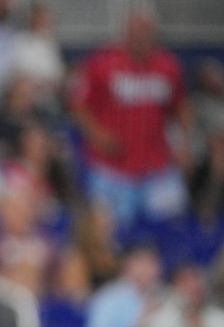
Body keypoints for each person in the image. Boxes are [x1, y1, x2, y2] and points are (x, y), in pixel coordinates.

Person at [70, 7, 192, 229]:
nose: (141, 38)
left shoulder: (168, 66)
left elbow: (181, 106)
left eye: (146, 33)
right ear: (125, 33)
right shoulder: (101, 63)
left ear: (154, 35)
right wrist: (96, 133)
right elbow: (78, 105)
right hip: (112, 168)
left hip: (157, 165)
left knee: (169, 227)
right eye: (136, 32)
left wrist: (184, 142)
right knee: (110, 233)